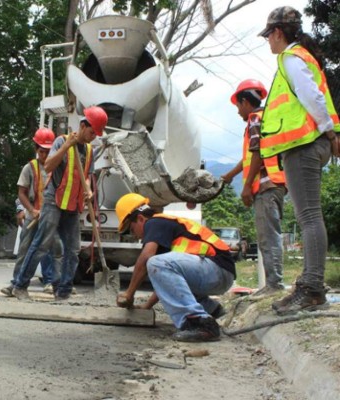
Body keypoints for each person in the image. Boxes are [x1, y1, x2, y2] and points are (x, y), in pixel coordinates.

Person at [258, 6, 339, 315]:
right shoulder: (300, 58)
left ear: (277, 33)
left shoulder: (291, 59)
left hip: (305, 145)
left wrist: (330, 133)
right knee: (309, 216)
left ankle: (312, 289)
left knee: (308, 217)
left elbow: (313, 99)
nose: (268, 42)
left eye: (268, 36)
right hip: (306, 145)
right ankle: (309, 285)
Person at [11, 106, 108, 300]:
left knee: (72, 250)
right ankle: (20, 285)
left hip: (73, 205)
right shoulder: (61, 141)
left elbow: (87, 176)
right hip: (54, 201)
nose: (92, 137)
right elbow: (47, 166)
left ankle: (63, 291)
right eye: (91, 132)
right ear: (82, 126)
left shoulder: (89, 151)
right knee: (41, 244)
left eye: (95, 134)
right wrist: (66, 147)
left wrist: (88, 190)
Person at [115, 193, 235, 342]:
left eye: (131, 230)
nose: (134, 236)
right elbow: (167, 282)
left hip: (216, 269)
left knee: (154, 262)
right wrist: (147, 306)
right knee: (160, 267)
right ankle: (211, 310)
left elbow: (146, 258)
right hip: (217, 273)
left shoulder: (154, 222)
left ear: (140, 219)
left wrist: (129, 293)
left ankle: (199, 323)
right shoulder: (165, 229)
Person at [222, 79, 286, 296]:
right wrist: (230, 175)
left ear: (244, 102)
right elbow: (250, 156)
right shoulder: (265, 118)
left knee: (269, 237)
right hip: (274, 184)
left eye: (238, 106)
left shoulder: (254, 120)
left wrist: (247, 186)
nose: (238, 111)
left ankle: (274, 286)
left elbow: (258, 154)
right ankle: (272, 284)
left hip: (266, 186)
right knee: (268, 236)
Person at [1, 128, 62, 297]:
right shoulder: (29, 168)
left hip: (52, 217)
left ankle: (53, 283)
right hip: (33, 216)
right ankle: (16, 283)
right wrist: (31, 210)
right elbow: (21, 192)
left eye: (48, 151)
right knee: (25, 250)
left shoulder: (57, 167)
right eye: (42, 151)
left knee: (55, 250)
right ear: (36, 149)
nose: (45, 155)